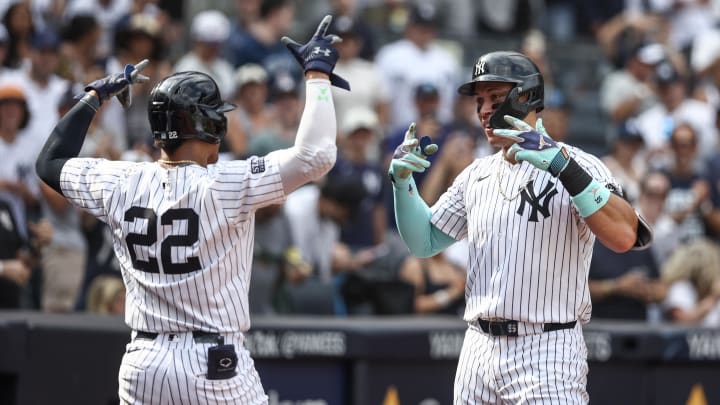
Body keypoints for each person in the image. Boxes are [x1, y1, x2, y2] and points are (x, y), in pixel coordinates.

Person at [35, 15, 347, 404]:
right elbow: (317, 155)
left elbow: (49, 162)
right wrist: (317, 75)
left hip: (142, 363)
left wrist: (92, 99)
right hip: (211, 364)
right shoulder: (228, 183)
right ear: (210, 126)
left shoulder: (119, 180)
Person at [388, 51, 652, 404]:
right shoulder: (475, 175)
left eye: (495, 98)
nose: (483, 109)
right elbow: (425, 241)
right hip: (477, 349)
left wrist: (562, 166)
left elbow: (624, 236)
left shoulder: (579, 162)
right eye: (480, 100)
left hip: (545, 348)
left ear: (526, 97)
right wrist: (403, 185)